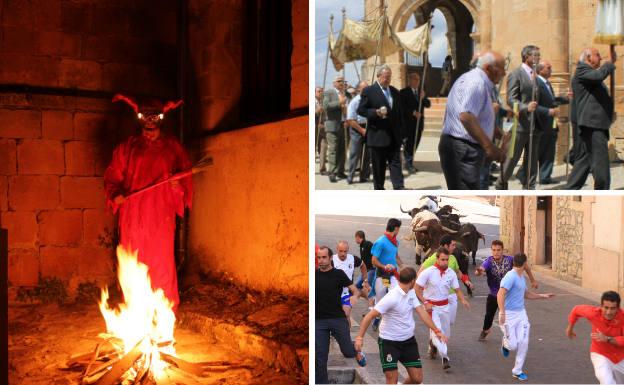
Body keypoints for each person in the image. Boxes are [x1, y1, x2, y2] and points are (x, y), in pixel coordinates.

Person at [104, 95, 191, 312]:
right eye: (146, 118)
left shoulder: (173, 148)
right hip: (133, 216)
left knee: (161, 262)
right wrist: (116, 194)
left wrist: (176, 186)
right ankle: (135, 311)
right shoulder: (127, 147)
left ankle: (163, 313)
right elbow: (113, 175)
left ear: (161, 119)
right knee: (133, 259)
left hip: (161, 215)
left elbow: (185, 180)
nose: (150, 124)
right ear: (140, 119)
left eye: (155, 118)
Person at [355, 267, 449, 384]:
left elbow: (422, 313)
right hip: (389, 342)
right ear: (413, 281)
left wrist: (437, 330)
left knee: (417, 378)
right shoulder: (391, 298)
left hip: (408, 341)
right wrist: (359, 338)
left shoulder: (411, 293)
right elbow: (369, 316)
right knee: (392, 379)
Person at [438, 51, 506, 189]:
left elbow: (476, 115)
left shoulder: (477, 81)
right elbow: (466, 117)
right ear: (488, 68)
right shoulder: (476, 83)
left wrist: (494, 130)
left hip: (463, 147)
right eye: (501, 68)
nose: (504, 73)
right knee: (466, 192)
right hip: (462, 149)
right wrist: (490, 147)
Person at [497, 253, 554, 381]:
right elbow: (500, 294)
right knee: (513, 346)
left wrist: (542, 296)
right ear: (524, 264)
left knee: (523, 342)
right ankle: (505, 343)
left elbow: (525, 294)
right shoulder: (510, 277)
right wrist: (502, 312)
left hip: (521, 314)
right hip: (509, 315)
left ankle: (517, 371)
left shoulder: (521, 277)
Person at [566, 47, 616, 190]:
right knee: (601, 164)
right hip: (592, 125)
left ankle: (570, 190)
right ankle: (602, 191)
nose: (601, 58)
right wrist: (610, 63)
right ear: (588, 58)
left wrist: (609, 111)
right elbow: (599, 76)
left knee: (583, 162)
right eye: (598, 55)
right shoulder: (582, 71)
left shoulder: (589, 74)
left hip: (592, 124)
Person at [316, 245, 366, 384]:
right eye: (319, 258)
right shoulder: (313, 275)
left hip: (337, 318)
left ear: (330, 258)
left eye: (324, 257)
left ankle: (355, 349)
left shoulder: (338, 274)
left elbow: (355, 290)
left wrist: (353, 298)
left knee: (348, 352)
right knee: (320, 357)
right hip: (318, 322)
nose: (321, 260)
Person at [415, 247, 470, 370]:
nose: (445, 262)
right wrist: (425, 302)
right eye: (442, 260)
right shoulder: (427, 272)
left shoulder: (451, 273)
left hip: (445, 307)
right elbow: (416, 288)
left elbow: (457, 289)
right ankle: (445, 357)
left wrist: (463, 300)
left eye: (447, 260)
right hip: (431, 308)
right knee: (438, 332)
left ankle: (433, 344)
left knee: (446, 334)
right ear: (437, 258)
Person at [496, 45, 543, 190]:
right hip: (520, 124)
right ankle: (501, 185)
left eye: (538, 56)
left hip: (535, 125)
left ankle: (529, 187)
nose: (537, 58)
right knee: (512, 159)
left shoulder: (536, 75)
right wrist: (525, 107)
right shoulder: (516, 74)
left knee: (531, 161)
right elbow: (511, 99)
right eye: (535, 55)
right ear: (526, 57)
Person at [474, 240, 537, 341]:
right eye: (494, 250)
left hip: (508, 296)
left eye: (498, 250)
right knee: (488, 316)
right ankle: (486, 330)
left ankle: (512, 336)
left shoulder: (510, 259)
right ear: (491, 250)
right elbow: (480, 270)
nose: (496, 252)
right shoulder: (488, 261)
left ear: (502, 250)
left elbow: (525, 266)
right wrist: (478, 271)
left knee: (508, 317)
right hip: (494, 294)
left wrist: (533, 280)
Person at [357, 65, 405, 190]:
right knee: (379, 166)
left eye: (389, 77)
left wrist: (402, 133)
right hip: (378, 136)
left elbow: (399, 113)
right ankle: (379, 188)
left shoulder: (395, 92)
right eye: (385, 77)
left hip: (393, 136)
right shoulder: (369, 91)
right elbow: (361, 110)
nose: (387, 80)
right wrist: (375, 113)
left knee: (395, 163)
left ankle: (399, 187)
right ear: (378, 76)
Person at [566, 291, 624, 384]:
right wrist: (570, 327)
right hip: (601, 355)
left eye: (613, 308)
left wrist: (607, 339)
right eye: (606, 307)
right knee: (607, 382)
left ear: (618, 308)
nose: (609, 312)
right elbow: (576, 310)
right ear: (601, 306)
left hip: (621, 357)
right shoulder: (593, 313)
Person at [418, 235, 474, 327]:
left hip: (452, 295)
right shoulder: (434, 258)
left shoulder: (452, 258)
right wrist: (423, 287)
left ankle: (438, 336)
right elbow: (420, 272)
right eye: (453, 245)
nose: (455, 247)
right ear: (445, 246)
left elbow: (458, 272)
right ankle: (436, 338)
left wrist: (466, 281)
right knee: (438, 325)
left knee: (450, 322)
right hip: (437, 297)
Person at [370, 218, 405, 329]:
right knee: (381, 301)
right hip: (382, 276)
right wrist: (384, 266)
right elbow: (374, 260)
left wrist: (403, 267)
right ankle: (376, 318)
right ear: (396, 228)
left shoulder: (396, 242)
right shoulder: (380, 242)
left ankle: (390, 323)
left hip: (393, 276)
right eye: (399, 228)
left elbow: (396, 256)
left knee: (395, 297)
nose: (399, 230)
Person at [400, 72, 431, 174]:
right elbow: (402, 107)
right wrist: (413, 112)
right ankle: (408, 164)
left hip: (419, 124)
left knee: (415, 143)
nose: (417, 82)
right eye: (415, 79)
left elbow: (428, 104)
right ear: (410, 80)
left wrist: (423, 97)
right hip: (408, 124)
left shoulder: (420, 92)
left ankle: (409, 162)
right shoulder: (404, 92)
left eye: (418, 80)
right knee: (409, 144)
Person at [332, 240, 367, 323]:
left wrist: (365, 279)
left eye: (345, 251)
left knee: (346, 314)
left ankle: (346, 334)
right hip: (334, 293)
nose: (343, 254)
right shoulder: (331, 260)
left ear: (348, 250)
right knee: (335, 316)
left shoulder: (353, 258)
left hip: (347, 292)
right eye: (340, 251)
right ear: (337, 249)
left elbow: (363, 265)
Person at [323, 75, 349, 183]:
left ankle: (340, 171)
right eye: (339, 81)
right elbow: (326, 106)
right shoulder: (329, 92)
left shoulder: (345, 94)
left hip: (344, 125)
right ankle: (332, 172)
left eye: (342, 81)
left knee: (342, 150)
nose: (341, 83)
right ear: (334, 83)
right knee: (333, 149)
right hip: (332, 126)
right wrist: (340, 103)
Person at [346, 81, 371, 184]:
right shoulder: (355, 102)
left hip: (368, 126)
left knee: (367, 154)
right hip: (357, 127)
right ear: (359, 89)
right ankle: (350, 176)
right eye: (364, 88)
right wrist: (361, 130)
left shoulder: (370, 100)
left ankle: (364, 176)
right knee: (355, 153)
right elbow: (350, 120)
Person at [355, 230, 375, 306]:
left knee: (367, 287)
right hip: (365, 271)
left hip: (371, 270)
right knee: (356, 286)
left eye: (355, 238)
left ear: (357, 237)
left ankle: (373, 306)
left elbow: (375, 252)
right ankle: (372, 301)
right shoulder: (362, 246)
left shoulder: (367, 244)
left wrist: (375, 262)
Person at [315, 86, 328, 175]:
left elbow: (327, 116)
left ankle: (322, 168)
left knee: (323, 147)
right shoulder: (312, 102)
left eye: (322, 91)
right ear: (315, 93)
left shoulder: (325, 103)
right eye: (319, 91)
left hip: (322, 128)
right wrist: (316, 111)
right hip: (313, 129)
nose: (321, 93)